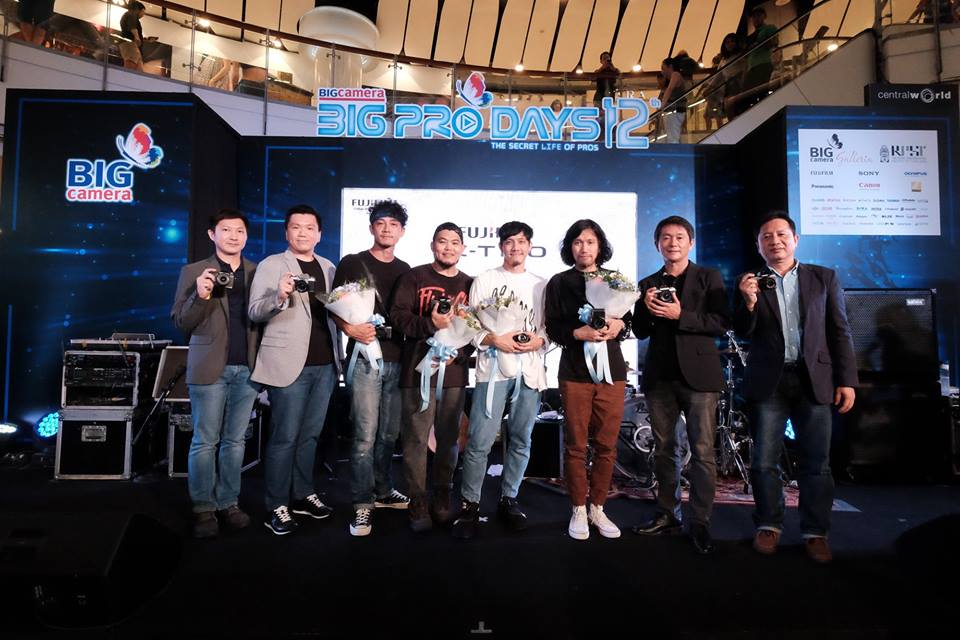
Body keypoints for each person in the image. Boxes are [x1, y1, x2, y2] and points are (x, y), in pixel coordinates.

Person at [735, 211, 857, 564]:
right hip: (769, 383)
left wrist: (847, 380)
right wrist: (748, 302)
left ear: (795, 239)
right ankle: (769, 524)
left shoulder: (823, 277)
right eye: (766, 237)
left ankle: (815, 532)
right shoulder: (750, 282)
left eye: (781, 234)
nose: (774, 241)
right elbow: (741, 330)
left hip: (814, 380)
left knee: (817, 462)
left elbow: (839, 330)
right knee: (764, 461)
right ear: (758, 245)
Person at [630, 216, 731, 554]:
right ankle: (667, 514)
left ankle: (700, 521)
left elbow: (720, 323)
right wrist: (645, 309)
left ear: (691, 242)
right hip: (660, 377)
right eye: (665, 238)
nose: (672, 243)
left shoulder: (708, 277)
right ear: (657, 244)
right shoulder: (648, 283)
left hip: (700, 377)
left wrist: (680, 315)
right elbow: (640, 330)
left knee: (702, 451)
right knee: (664, 449)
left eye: (679, 237)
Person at [451, 221, 549, 540]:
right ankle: (470, 504)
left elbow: (548, 329)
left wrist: (539, 341)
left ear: (530, 246)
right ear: (501, 246)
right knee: (479, 441)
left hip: (530, 372)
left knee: (521, 439)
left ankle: (509, 498)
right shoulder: (485, 279)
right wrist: (494, 339)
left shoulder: (541, 284)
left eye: (521, 241)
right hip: (492, 371)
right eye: (509, 242)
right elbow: (470, 322)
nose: (515, 247)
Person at [249, 204, 341, 536]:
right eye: (296, 227)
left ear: (319, 234)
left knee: (310, 435)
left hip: (325, 364)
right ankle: (276, 504)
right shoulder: (272, 264)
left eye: (309, 227)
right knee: (284, 437)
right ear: (287, 231)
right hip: (288, 365)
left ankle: (303, 494)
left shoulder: (329, 267)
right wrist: (279, 296)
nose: (303, 233)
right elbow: (255, 311)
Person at [171, 209, 260, 539]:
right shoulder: (194, 271)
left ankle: (228, 502)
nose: (233, 236)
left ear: (246, 236)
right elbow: (181, 322)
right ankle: (203, 507)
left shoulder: (257, 272)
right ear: (212, 234)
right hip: (209, 367)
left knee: (235, 441)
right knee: (205, 441)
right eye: (226, 230)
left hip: (247, 367)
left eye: (239, 231)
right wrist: (201, 294)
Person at [544, 219, 631, 540]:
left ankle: (598, 506)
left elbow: (627, 321)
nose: (584, 247)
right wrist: (576, 333)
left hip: (612, 372)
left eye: (590, 242)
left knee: (607, 445)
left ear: (600, 246)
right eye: (578, 242)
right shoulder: (559, 282)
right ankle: (578, 508)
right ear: (570, 247)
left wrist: (619, 326)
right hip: (575, 372)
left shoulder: (614, 280)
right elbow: (552, 326)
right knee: (576, 445)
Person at [331, 199, 411, 537]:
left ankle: (383, 489)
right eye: (381, 223)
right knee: (364, 435)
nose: (387, 229)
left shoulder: (407, 269)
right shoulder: (353, 262)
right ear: (371, 228)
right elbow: (334, 305)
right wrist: (349, 329)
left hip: (398, 358)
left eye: (394, 224)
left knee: (388, 434)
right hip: (364, 358)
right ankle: (362, 503)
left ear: (402, 231)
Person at [390, 223, 474, 532]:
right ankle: (417, 500)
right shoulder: (413, 277)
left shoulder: (470, 283)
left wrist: (460, 354)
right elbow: (397, 317)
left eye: (454, 242)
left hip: (454, 374)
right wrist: (430, 324)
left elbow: (479, 329)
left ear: (463, 248)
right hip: (418, 371)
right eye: (442, 241)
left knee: (449, 439)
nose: (448, 247)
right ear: (432, 245)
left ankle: (442, 494)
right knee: (415, 439)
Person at [740, 7, 778, 111]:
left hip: (763, 64)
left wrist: (758, 44)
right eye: (753, 16)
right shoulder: (751, 35)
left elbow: (774, 42)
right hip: (752, 67)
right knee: (748, 95)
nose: (755, 18)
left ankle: (764, 112)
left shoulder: (769, 28)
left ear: (764, 16)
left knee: (759, 93)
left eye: (758, 15)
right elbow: (746, 55)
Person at [705, 33, 743, 130]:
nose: (730, 44)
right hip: (728, 86)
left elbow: (745, 69)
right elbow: (718, 77)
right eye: (727, 42)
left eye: (732, 41)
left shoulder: (740, 56)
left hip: (738, 84)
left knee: (736, 108)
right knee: (729, 109)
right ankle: (733, 129)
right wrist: (708, 89)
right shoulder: (723, 60)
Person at [660, 55, 695, 143]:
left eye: (663, 68)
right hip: (675, 110)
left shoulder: (676, 74)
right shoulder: (675, 76)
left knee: (673, 137)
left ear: (670, 66)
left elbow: (670, 89)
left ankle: (673, 151)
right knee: (673, 135)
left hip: (675, 110)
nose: (662, 71)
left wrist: (662, 105)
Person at [119, 1, 148, 72]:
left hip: (132, 44)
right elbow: (132, 27)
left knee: (138, 68)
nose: (143, 14)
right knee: (131, 66)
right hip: (130, 44)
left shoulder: (129, 15)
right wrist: (137, 37)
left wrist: (143, 39)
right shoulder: (130, 15)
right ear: (139, 10)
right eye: (143, 11)